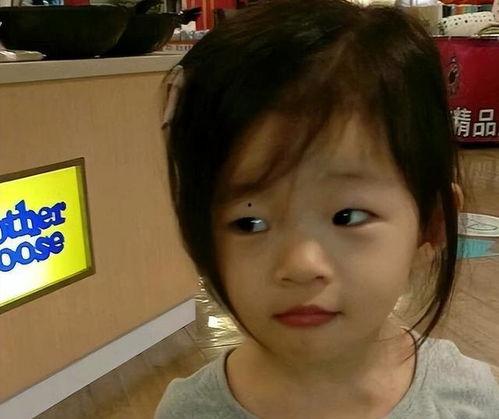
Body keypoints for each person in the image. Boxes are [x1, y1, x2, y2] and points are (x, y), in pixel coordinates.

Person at [155, 0, 499, 417]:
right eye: (249, 222)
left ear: (431, 226)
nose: (301, 266)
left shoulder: (470, 401)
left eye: (347, 217)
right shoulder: (189, 412)